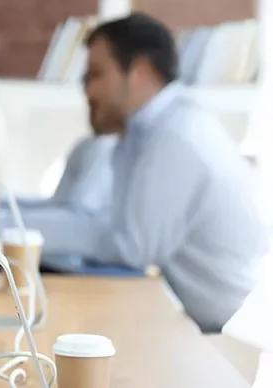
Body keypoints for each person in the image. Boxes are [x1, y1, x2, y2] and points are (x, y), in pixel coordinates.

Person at [16, 13, 265, 332]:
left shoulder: (173, 137)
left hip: (224, 334)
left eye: (96, 75)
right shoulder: (143, 133)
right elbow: (104, 224)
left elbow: (130, 247)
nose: (87, 92)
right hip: (194, 321)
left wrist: (2, 226)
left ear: (140, 74)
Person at [0, 131, 134, 274]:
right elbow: (57, 206)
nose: (87, 90)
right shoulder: (92, 144)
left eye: (96, 75)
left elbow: (75, 224)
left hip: (72, 272)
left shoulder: (108, 148)